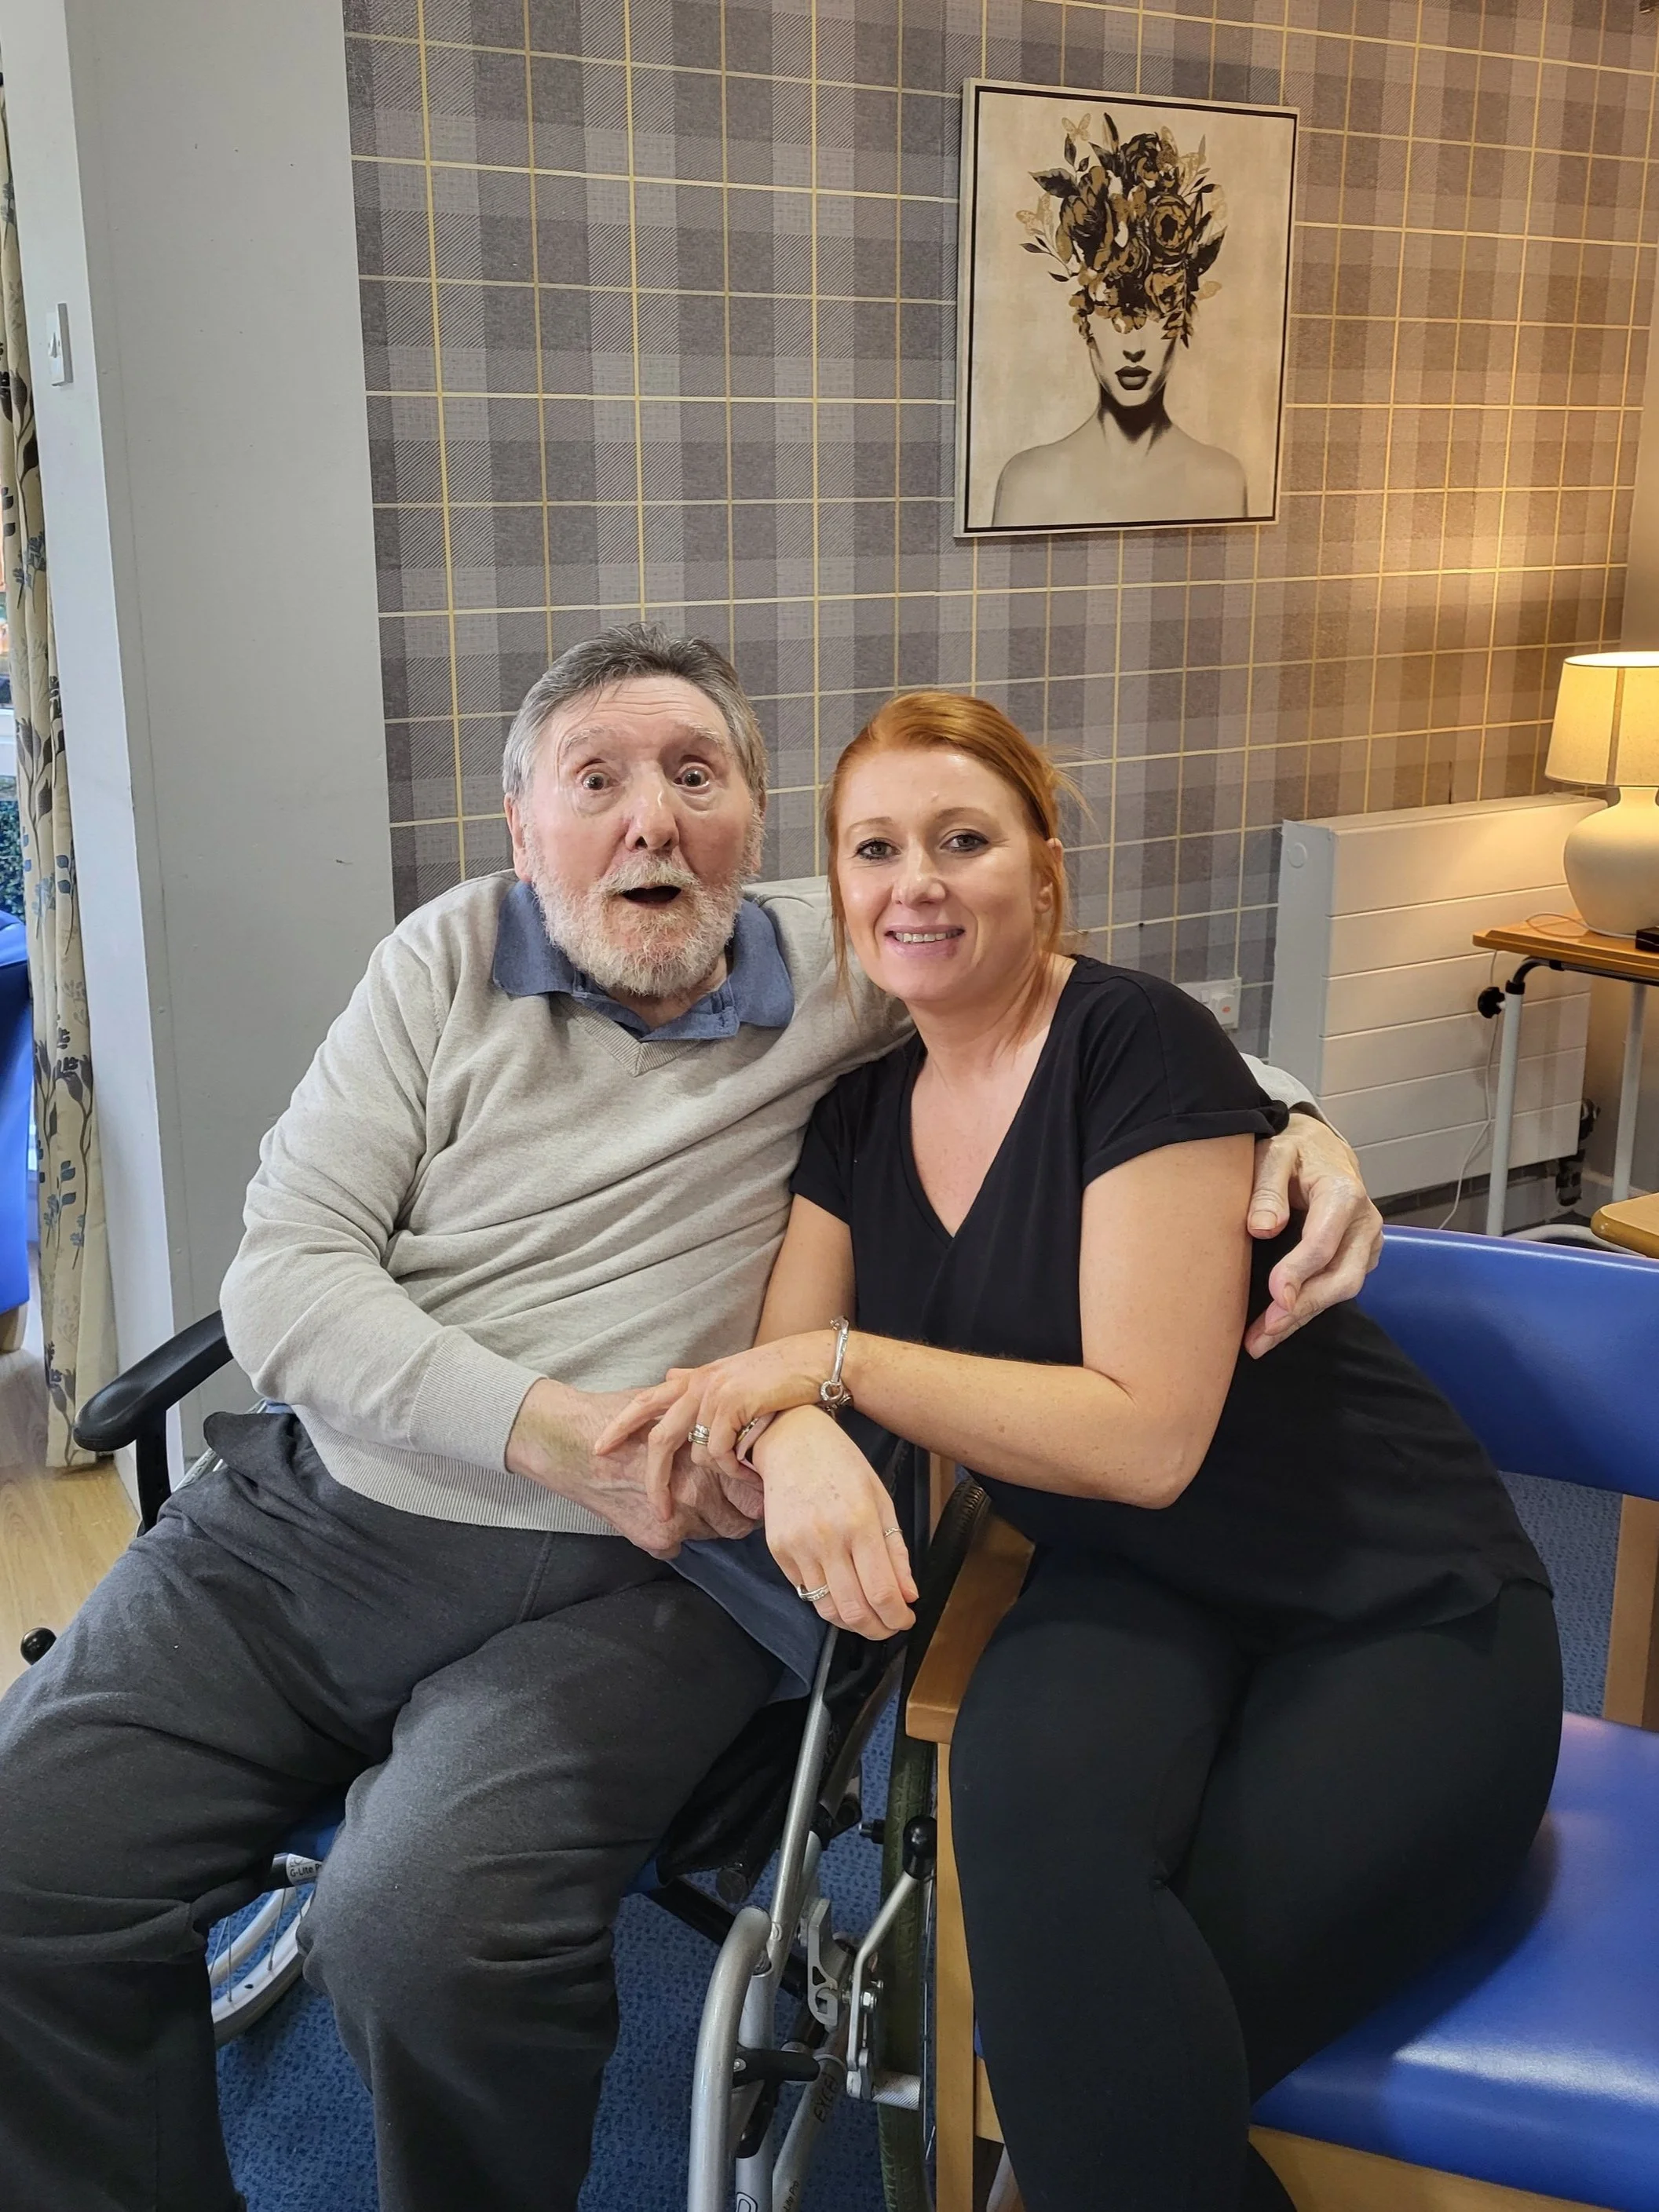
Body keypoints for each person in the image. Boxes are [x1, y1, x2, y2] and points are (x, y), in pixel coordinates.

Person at [0, 629, 1380, 2212]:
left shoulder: (848, 959)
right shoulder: (442, 962)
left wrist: (1299, 1121)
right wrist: (554, 1433)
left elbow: (1097, 1033)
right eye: (594, 780)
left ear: (750, 819)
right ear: (521, 827)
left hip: (658, 1569)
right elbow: (286, 1278)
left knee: (424, 1926)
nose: (649, 817)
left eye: (694, 775)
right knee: (26, 1864)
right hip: (320, 1525)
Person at [601, 691, 1562, 2212]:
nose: (916, 881)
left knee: (1119, 2035)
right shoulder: (856, 1116)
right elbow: (782, 1368)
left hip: (1388, 1592)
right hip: (1121, 1587)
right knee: (1042, 1886)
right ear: (837, 889)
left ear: (1042, 869)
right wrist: (794, 1426)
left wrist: (835, 1368)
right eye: (874, 848)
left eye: (962, 839)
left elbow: (1145, 1438)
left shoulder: (1133, 1039)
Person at [992, 111, 1247, 528]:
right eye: (1114, 312)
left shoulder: (1222, 481)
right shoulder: (1030, 482)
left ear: (1183, 317)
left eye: (1158, 312)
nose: (1134, 347)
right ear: (1085, 321)